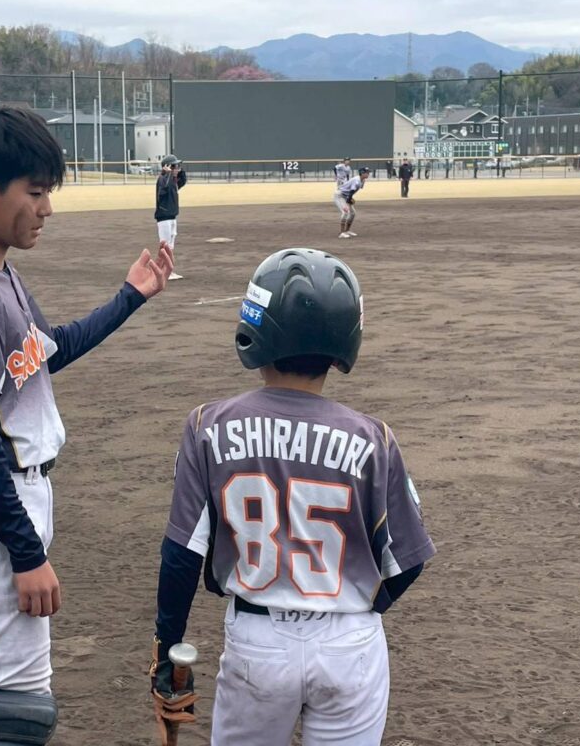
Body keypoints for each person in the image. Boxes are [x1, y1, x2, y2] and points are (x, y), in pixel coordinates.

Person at [0, 106, 174, 746]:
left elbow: (50, 349)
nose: (47, 208)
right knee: (16, 705)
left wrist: (129, 297)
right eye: (35, 192)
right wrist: (26, 552)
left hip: (2, 499)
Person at [150, 248, 437, 746]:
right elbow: (407, 561)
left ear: (257, 330)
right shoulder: (374, 438)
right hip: (351, 644)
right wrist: (356, 607)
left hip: (257, 643)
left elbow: (181, 557)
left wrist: (167, 648)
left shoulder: (207, 426)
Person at [155, 154, 187, 281]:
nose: (177, 169)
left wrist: (181, 169)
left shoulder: (173, 180)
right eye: (175, 166)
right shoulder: (162, 179)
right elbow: (164, 189)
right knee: (165, 245)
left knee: (171, 246)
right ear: (168, 167)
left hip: (172, 216)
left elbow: (183, 181)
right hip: (164, 218)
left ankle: (168, 271)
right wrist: (167, 173)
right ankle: (162, 271)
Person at [333, 167, 369, 239]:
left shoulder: (363, 180)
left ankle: (347, 230)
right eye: (366, 173)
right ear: (362, 173)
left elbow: (351, 191)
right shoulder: (356, 180)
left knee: (352, 213)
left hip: (346, 196)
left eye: (368, 172)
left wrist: (350, 199)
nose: (368, 174)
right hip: (340, 196)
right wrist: (349, 200)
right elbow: (352, 191)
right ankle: (342, 233)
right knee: (345, 212)